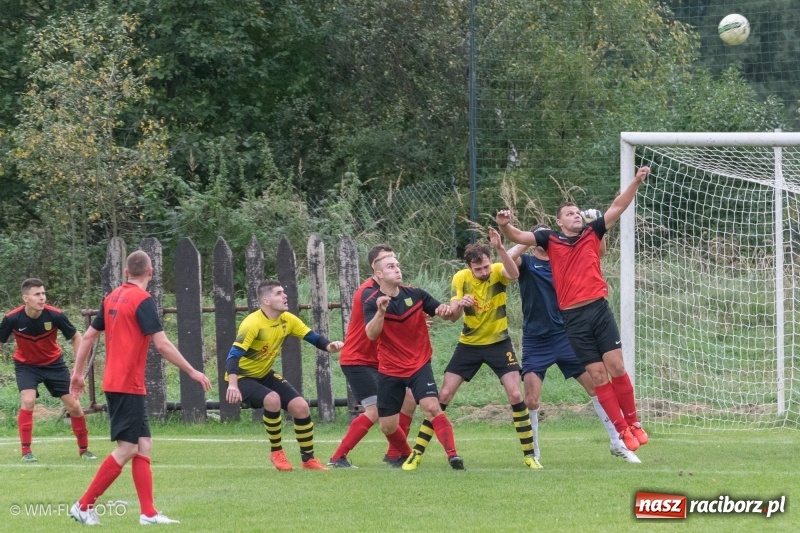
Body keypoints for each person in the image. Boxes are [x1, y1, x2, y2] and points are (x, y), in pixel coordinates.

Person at [497, 166, 651, 453]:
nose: (576, 215)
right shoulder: (550, 240)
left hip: (599, 310)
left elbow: (619, 205)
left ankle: (634, 423)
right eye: (569, 213)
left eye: (578, 212)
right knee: (597, 375)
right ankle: (621, 433)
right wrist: (505, 225)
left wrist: (636, 181)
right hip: (573, 319)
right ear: (559, 221)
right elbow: (518, 236)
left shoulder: (592, 232)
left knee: (616, 367)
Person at [68, 250, 212, 526]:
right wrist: (192, 370)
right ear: (151, 272)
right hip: (126, 385)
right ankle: (83, 505)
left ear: (125, 273)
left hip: (117, 383)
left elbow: (87, 337)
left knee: (143, 445)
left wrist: (78, 374)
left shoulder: (111, 297)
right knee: (128, 448)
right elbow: (162, 344)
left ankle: (148, 513)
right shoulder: (143, 300)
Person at [403, 227, 540, 471]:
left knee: (516, 395)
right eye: (478, 269)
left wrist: (500, 247)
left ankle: (530, 456)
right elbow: (452, 317)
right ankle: (417, 453)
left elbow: (514, 274)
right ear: (469, 268)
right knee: (443, 396)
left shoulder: (498, 271)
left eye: (486, 266)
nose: (484, 272)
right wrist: (459, 305)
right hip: (469, 346)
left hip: (499, 343)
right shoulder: (460, 278)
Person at [507, 225, 640, 463]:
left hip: (566, 334)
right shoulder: (525, 263)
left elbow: (599, 253)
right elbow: (506, 264)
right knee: (531, 398)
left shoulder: (564, 260)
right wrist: (527, 239)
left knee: (596, 386)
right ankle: (533, 453)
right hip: (536, 340)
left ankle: (617, 441)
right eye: (540, 236)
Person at [225, 279, 344, 472]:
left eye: (284, 292)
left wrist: (330, 346)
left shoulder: (287, 319)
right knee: (272, 399)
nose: (285, 295)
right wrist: (232, 385)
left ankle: (308, 460)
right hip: (242, 378)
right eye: (279, 293)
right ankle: (277, 452)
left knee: (301, 407)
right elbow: (233, 355)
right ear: (266, 301)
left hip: (264, 374)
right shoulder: (252, 323)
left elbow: (313, 337)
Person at [363, 253, 465, 470]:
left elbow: (447, 315)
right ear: (379, 274)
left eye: (398, 265)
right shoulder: (372, 302)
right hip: (390, 369)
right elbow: (371, 334)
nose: (397, 269)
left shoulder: (416, 294)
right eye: (391, 267)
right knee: (387, 426)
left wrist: (449, 309)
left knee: (432, 407)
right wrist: (381, 312)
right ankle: (405, 453)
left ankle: (453, 456)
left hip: (419, 364)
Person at [328, 244, 418, 468]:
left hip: (380, 361)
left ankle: (394, 453)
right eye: (387, 261)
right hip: (358, 360)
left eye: (394, 260)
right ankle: (339, 457)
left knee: (409, 397)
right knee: (376, 410)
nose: (393, 265)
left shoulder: (396, 290)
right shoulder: (369, 292)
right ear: (376, 269)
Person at [0, 278, 96, 463]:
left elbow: (77, 337)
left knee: (74, 406)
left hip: (54, 363)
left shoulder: (56, 315)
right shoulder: (12, 318)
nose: (42, 298)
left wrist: (77, 370)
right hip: (26, 365)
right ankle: (26, 452)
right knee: (27, 401)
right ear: (25, 298)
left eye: (43, 293)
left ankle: (84, 450)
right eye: (37, 294)